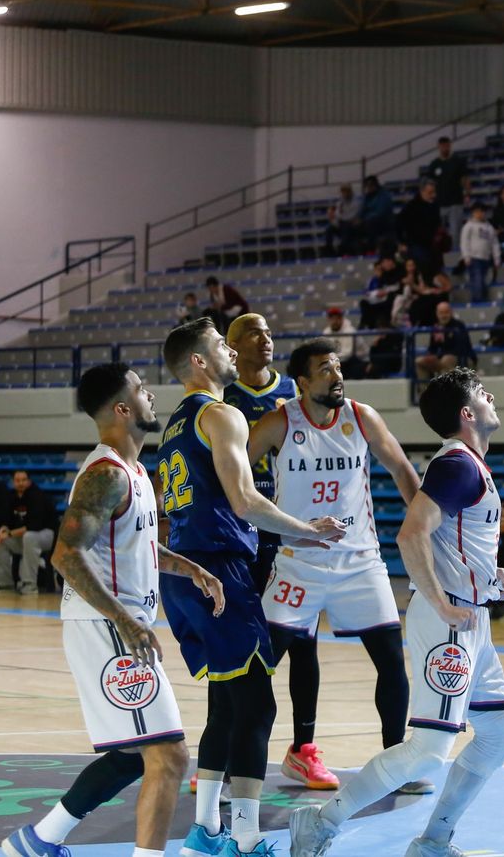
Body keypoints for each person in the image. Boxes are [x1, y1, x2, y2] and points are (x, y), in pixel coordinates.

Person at [290, 370, 504, 857]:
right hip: (449, 623)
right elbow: (410, 534)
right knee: (427, 750)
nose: (492, 397)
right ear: (467, 413)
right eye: (482, 394)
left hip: (472, 620)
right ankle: (320, 824)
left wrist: (492, 578)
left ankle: (433, 841)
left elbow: (448, 542)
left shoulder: (471, 466)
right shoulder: (458, 466)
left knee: (498, 736)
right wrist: (441, 602)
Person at [0, 364, 223, 857]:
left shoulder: (137, 472)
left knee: (130, 755)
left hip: (119, 623)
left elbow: (138, 545)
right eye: (142, 390)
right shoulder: (105, 474)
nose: (152, 396)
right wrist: (123, 619)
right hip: (108, 625)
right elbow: (65, 554)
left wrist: (192, 570)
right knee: (167, 756)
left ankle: (39, 839)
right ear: (123, 408)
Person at [157, 319, 346, 857]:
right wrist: (307, 530)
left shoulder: (177, 422)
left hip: (188, 573)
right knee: (258, 706)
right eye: (220, 345)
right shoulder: (221, 413)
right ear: (199, 361)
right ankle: (245, 836)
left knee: (228, 703)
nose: (230, 353)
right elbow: (244, 500)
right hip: (220, 569)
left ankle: (203, 832)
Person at [247, 341, 430, 799]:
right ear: (302, 383)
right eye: (324, 369)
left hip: (360, 561)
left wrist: (430, 530)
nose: (336, 374)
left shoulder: (362, 417)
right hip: (298, 562)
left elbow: (404, 471)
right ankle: (234, 760)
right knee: (255, 667)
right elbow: (233, 476)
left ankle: (395, 763)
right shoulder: (278, 422)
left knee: (391, 660)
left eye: (338, 366)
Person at [219, 314, 328, 791]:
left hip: (290, 528)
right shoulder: (221, 398)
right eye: (255, 333)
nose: (266, 339)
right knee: (234, 642)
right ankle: (220, 748)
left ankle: (303, 748)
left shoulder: (297, 391)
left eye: (269, 331)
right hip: (241, 531)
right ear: (233, 346)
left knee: (304, 642)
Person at [0, 469, 57, 593]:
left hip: (47, 536)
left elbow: (34, 525)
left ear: (29, 481)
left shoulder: (37, 496)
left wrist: (9, 533)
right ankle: (4, 584)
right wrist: (4, 528)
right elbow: (7, 519)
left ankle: (29, 585)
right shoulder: (11, 497)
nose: (20, 483)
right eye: (17, 480)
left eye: (23, 480)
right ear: (13, 482)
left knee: (29, 537)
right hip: (25, 537)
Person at [424, 136, 470, 239]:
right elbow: (430, 183)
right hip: (439, 202)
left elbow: (465, 179)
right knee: (438, 232)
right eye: (442, 146)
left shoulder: (457, 161)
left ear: (450, 146)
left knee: (454, 232)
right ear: (439, 147)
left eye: (446, 145)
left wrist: (467, 193)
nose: (445, 148)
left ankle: (454, 252)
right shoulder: (434, 164)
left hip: (455, 201)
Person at [417, 302, 475, 378]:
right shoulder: (436, 327)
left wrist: (439, 355)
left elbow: (460, 348)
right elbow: (432, 347)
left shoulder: (458, 325)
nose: (444, 315)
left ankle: (447, 389)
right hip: (440, 359)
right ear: (437, 314)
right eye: (441, 313)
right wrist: (430, 355)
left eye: (446, 312)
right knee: (419, 361)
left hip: (462, 358)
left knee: (447, 359)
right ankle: (424, 388)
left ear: (451, 312)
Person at [459, 204, 501, 304]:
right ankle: (478, 301)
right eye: (477, 211)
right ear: (473, 213)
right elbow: (464, 241)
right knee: (477, 280)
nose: (479, 214)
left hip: (485, 258)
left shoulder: (489, 227)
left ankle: (482, 300)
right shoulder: (468, 226)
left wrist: (497, 258)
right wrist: (466, 256)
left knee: (483, 281)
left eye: (481, 211)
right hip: (474, 258)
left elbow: (494, 243)